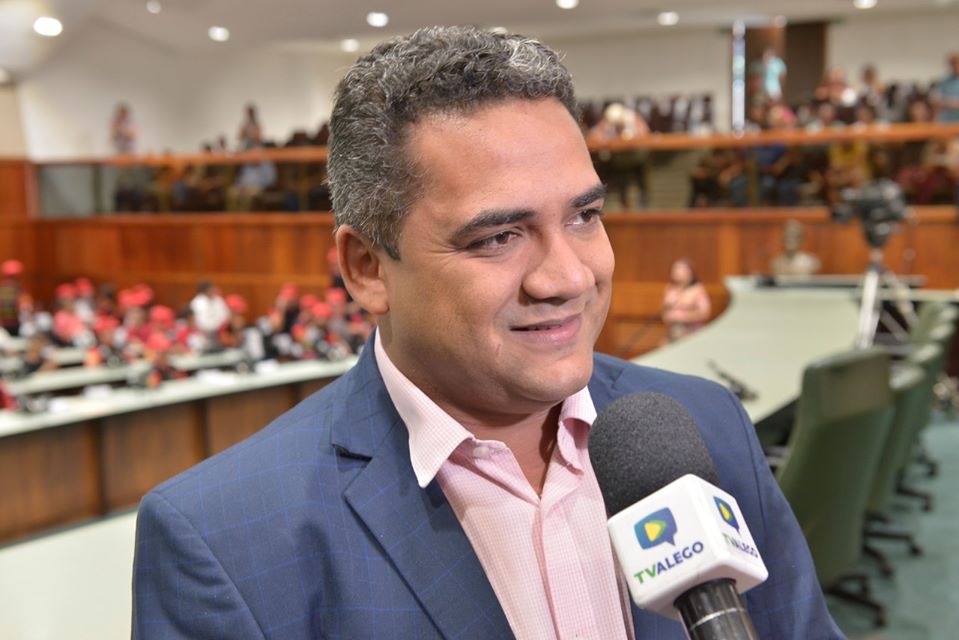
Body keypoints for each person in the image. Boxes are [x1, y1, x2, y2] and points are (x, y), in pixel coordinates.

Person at [132, 26, 841, 639]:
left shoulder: (705, 426)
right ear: (367, 268)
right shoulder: (223, 541)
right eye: (499, 237)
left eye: (584, 216)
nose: (567, 277)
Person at [662, 259, 711, 343]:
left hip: (691, 334)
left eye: (681, 269)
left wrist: (682, 316)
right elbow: (664, 311)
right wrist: (668, 316)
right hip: (672, 332)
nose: (677, 272)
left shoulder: (698, 290)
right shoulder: (670, 289)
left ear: (690, 272)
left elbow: (705, 313)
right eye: (675, 268)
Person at [932, 52, 959, 123]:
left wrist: (946, 103)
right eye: (953, 64)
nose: (955, 66)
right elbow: (936, 101)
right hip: (946, 122)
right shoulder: (943, 82)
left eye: (957, 63)